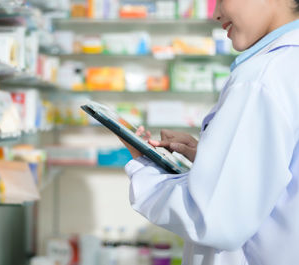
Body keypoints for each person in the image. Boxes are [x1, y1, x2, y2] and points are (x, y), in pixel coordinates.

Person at [119, 0, 299, 264]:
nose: (215, 14)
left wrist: (146, 168)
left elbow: (214, 219)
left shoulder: (260, 79)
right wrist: (210, 161)